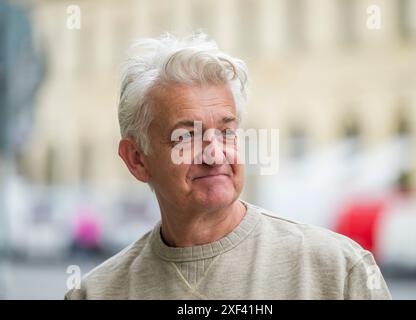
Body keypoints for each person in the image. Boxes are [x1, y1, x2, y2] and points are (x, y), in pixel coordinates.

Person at [65, 32, 391, 300]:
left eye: (226, 131)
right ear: (137, 160)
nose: (216, 154)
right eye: (186, 136)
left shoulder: (338, 271)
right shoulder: (96, 294)